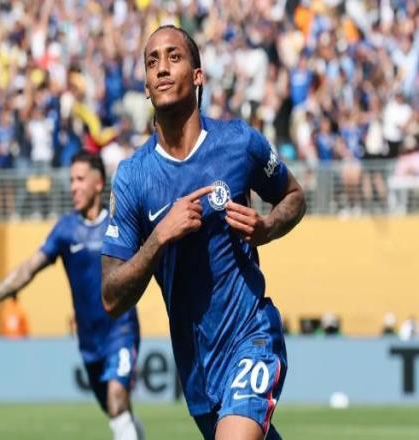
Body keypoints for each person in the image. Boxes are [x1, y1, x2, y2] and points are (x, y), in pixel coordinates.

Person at [101, 25, 306, 440]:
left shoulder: (239, 143)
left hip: (252, 337)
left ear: (197, 76)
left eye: (173, 57)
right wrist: (159, 237)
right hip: (198, 370)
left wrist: (266, 228)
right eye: (152, 61)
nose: (161, 68)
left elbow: (294, 196)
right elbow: (111, 297)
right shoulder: (133, 177)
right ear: (146, 86)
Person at [0, 152, 145, 440]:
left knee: (117, 399)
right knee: (117, 412)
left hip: (121, 330)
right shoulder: (66, 230)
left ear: (98, 184)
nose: (73, 187)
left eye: (80, 179)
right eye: (71, 180)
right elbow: (28, 269)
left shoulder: (118, 223)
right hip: (89, 340)